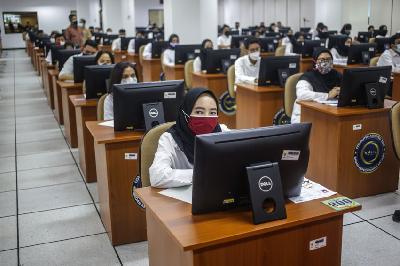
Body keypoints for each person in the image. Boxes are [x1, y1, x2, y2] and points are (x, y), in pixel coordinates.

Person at [149, 88, 229, 188]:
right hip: (181, 200)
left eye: (212, 113)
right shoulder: (170, 139)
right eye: (199, 112)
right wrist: (200, 174)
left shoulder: (223, 132)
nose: (206, 118)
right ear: (185, 113)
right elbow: (157, 176)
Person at [291, 49, 342, 123]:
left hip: (329, 113)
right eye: (322, 59)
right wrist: (327, 95)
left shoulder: (337, 75)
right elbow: (301, 94)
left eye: (328, 59)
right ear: (315, 61)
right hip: (306, 115)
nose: (326, 62)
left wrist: (343, 92)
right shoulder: (308, 77)